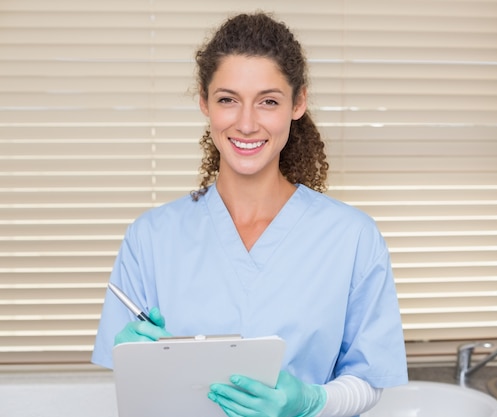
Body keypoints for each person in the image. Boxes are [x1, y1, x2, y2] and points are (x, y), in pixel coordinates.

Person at [92, 11, 408, 417]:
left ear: (298, 103)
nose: (246, 123)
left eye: (268, 102)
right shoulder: (150, 237)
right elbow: (134, 388)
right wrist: (135, 358)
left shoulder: (351, 237)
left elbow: (369, 377)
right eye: (228, 100)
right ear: (205, 103)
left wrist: (312, 402)